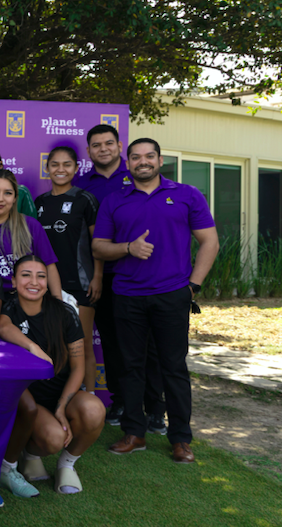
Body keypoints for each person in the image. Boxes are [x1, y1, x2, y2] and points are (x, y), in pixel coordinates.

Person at [93, 138, 219, 464]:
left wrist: (193, 286)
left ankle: (180, 439)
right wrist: (127, 248)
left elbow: (209, 241)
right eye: (136, 157)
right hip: (128, 296)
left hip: (172, 296)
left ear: (160, 160)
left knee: (173, 368)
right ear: (128, 163)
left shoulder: (187, 194)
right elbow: (99, 248)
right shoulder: (114, 201)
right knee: (131, 368)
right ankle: (134, 434)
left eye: (149, 156)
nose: (143, 162)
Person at [77, 124, 165, 431]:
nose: (103, 149)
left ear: (119, 147)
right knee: (113, 344)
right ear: (89, 151)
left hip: (140, 275)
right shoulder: (81, 185)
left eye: (108, 143)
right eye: (96, 145)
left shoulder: (138, 178)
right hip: (100, 276)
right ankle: (122, 401)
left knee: (148, 346)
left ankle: (155, 407)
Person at [0, 256, 105, 496]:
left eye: (41, 276)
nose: (33, 281)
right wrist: (34, 348)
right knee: (53, 438)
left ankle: (67, 465)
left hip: (61, 392)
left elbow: (78, 367)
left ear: (47, 282)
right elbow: (4, 327)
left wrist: (62, 406)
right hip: (30, 401)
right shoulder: (7, 309)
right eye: (26, 275)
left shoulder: (65, 312)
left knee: (94, 410)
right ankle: (31, 454)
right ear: (14, 281)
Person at [34, 146, 101, 393]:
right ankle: (57, 397)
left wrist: (97, 276)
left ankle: (90, 397)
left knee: (82, 346)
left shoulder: (85, 199)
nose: (60, 170)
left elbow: (98, 245)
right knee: (54, 344)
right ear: (47, 168)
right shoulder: (39, 202)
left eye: (67, 165)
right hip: (45, 287)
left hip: (80, 284)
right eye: (54, 164)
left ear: (76, 168)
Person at [0, 169, 61, 297]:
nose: (0, 199)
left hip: (27, 301)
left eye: (8, 193)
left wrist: (59, 304)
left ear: (15, 198)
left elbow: (49, 266)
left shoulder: (31, 226)